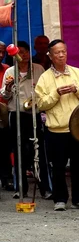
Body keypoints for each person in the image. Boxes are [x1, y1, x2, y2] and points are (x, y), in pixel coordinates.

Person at [35, 39, 79, 211]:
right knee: (58, 166)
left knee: (77, 166)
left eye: (63, 52)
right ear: (50, 56)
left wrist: (77, 90)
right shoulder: (44, 78)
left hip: (77, 129)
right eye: (57, 53)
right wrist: (56, 93)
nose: (61, 55)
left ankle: (78, 199)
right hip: (56, 129)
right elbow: (40, 104)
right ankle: (60, 199)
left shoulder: (77, 73)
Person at [0, 41, 50, 199]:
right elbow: (5, 96)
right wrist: (8, 87)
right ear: (13, 55)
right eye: (19, 52)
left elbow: (45, 90)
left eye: (26, 51)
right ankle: (20, 188)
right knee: (18, 151)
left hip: (34, 113)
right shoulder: (10, 71)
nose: (23, 55)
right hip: (16, 114)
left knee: (39, 151)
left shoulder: (38, 69)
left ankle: (45, 189)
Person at [0, 40, 12, 192]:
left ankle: (7, 178)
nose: (1, 55)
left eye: (3, 52)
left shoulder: (8, 69)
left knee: (4, 147)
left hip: (4, 112)